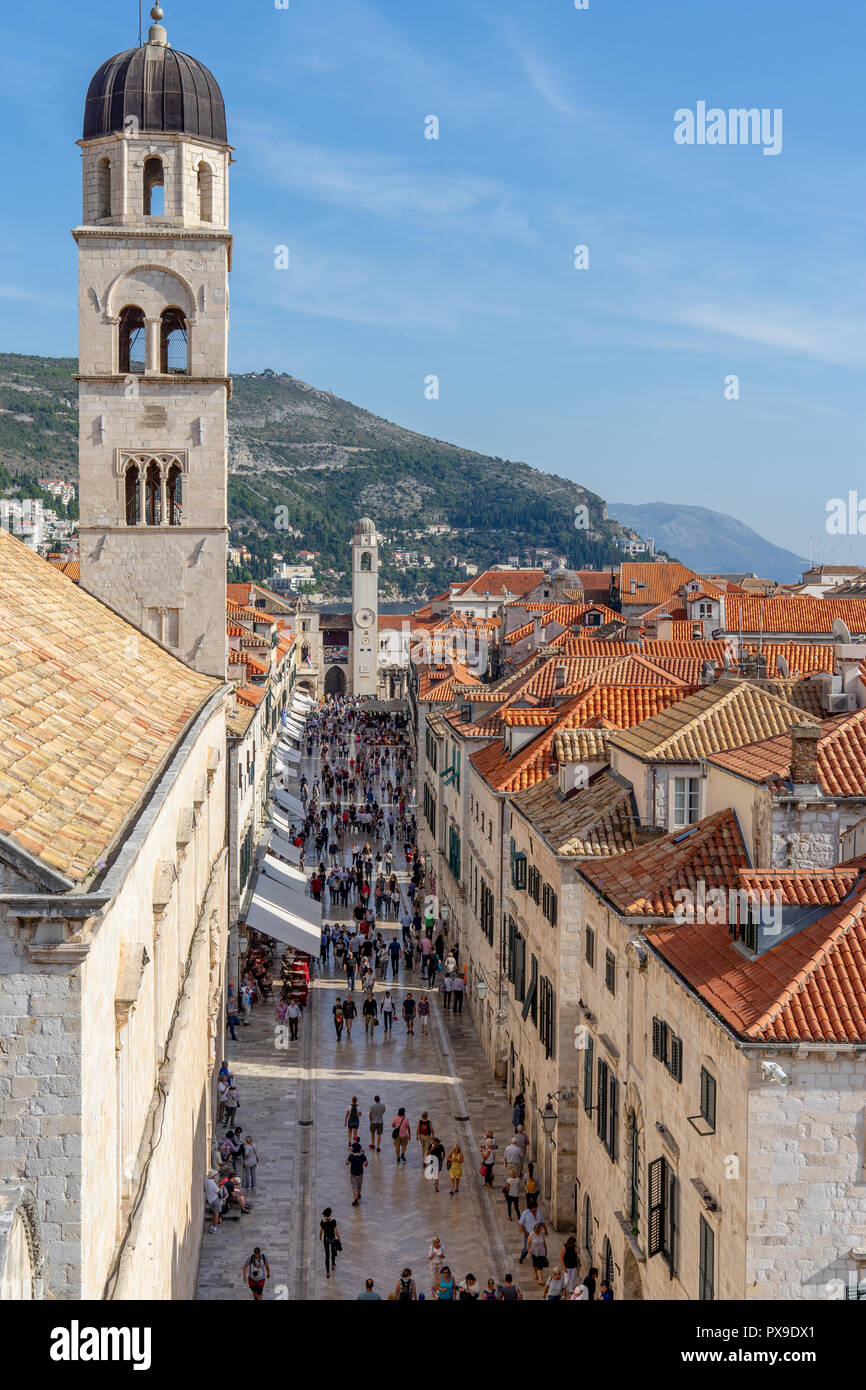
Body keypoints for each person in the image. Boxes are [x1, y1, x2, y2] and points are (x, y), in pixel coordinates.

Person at [319, 1207, 341, 1279]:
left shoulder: (322, 1221)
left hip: (326, 1239)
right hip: (332, 1239)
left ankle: (327, 1273)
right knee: (333, 1251)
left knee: (327, 1255)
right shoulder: (333, 1221)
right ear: (330, 1213)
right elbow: (336, 1231)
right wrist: (339, 1238)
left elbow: (321, 1230)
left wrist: (320, 1236)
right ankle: (333, 1264)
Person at [346, 1141, 368, 1206]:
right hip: (360, 1173)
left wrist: (348, 1157)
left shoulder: (351, 1156)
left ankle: (356, 1200)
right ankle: (358, 1195)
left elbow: (347, 1163)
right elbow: (366, 1164)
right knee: (359, 1186)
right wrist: (364, 1155)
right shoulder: (362, 1156)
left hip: (353, 1174)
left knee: (354, 1187)